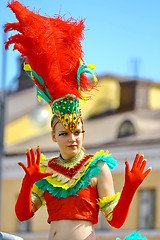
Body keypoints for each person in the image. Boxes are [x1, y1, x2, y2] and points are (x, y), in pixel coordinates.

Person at [4, 2, 151, 240]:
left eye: (77, 132)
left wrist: (131, 187)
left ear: (83, 132)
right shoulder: (46, 171)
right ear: (53, 136)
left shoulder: (98, 167)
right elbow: (23, 215)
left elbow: (115, 220)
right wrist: (29, 181)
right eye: (64, 134)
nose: (72, 138)